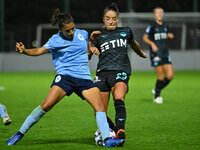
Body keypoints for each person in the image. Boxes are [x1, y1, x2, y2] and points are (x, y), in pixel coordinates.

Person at [6, 8, 125, 147]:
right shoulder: (55, 40)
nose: (71, 32)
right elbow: (38, 50)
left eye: (72, 28)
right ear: (60, 29)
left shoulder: (83, 34)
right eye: (68, 30)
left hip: (84, 79)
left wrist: (91, 44)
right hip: (65, 77)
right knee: (46, 105)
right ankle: (19, 134)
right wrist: (24, 51)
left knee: (99, 107)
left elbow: (86, 55)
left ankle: (107, 140)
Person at [89, 3, 146, 140]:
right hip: (102, 73)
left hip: (121, 71)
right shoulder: (98, 36)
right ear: (103, 19)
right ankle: (114, 130)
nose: (111, 21)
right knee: (99, 110)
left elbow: (134, 43)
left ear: (117, 19)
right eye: (108, 18)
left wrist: (140, 53)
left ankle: (120, 128)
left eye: (114, 18)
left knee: (118, 97)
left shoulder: (126, 31)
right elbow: (88, 55)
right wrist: (91, 48)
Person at [143, 7, 174, 104]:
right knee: (160, 76)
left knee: (170, 76)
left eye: (161, 12)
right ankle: (157, 97)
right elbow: (145, 38)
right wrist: (152, 44)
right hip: (156, 54)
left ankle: (157, 89)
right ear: (154, 15)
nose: (159, 14)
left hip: (165, 53)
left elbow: (165, 36)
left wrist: (169, 36)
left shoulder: (165, 25)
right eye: (157, 12)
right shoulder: (151, 26)